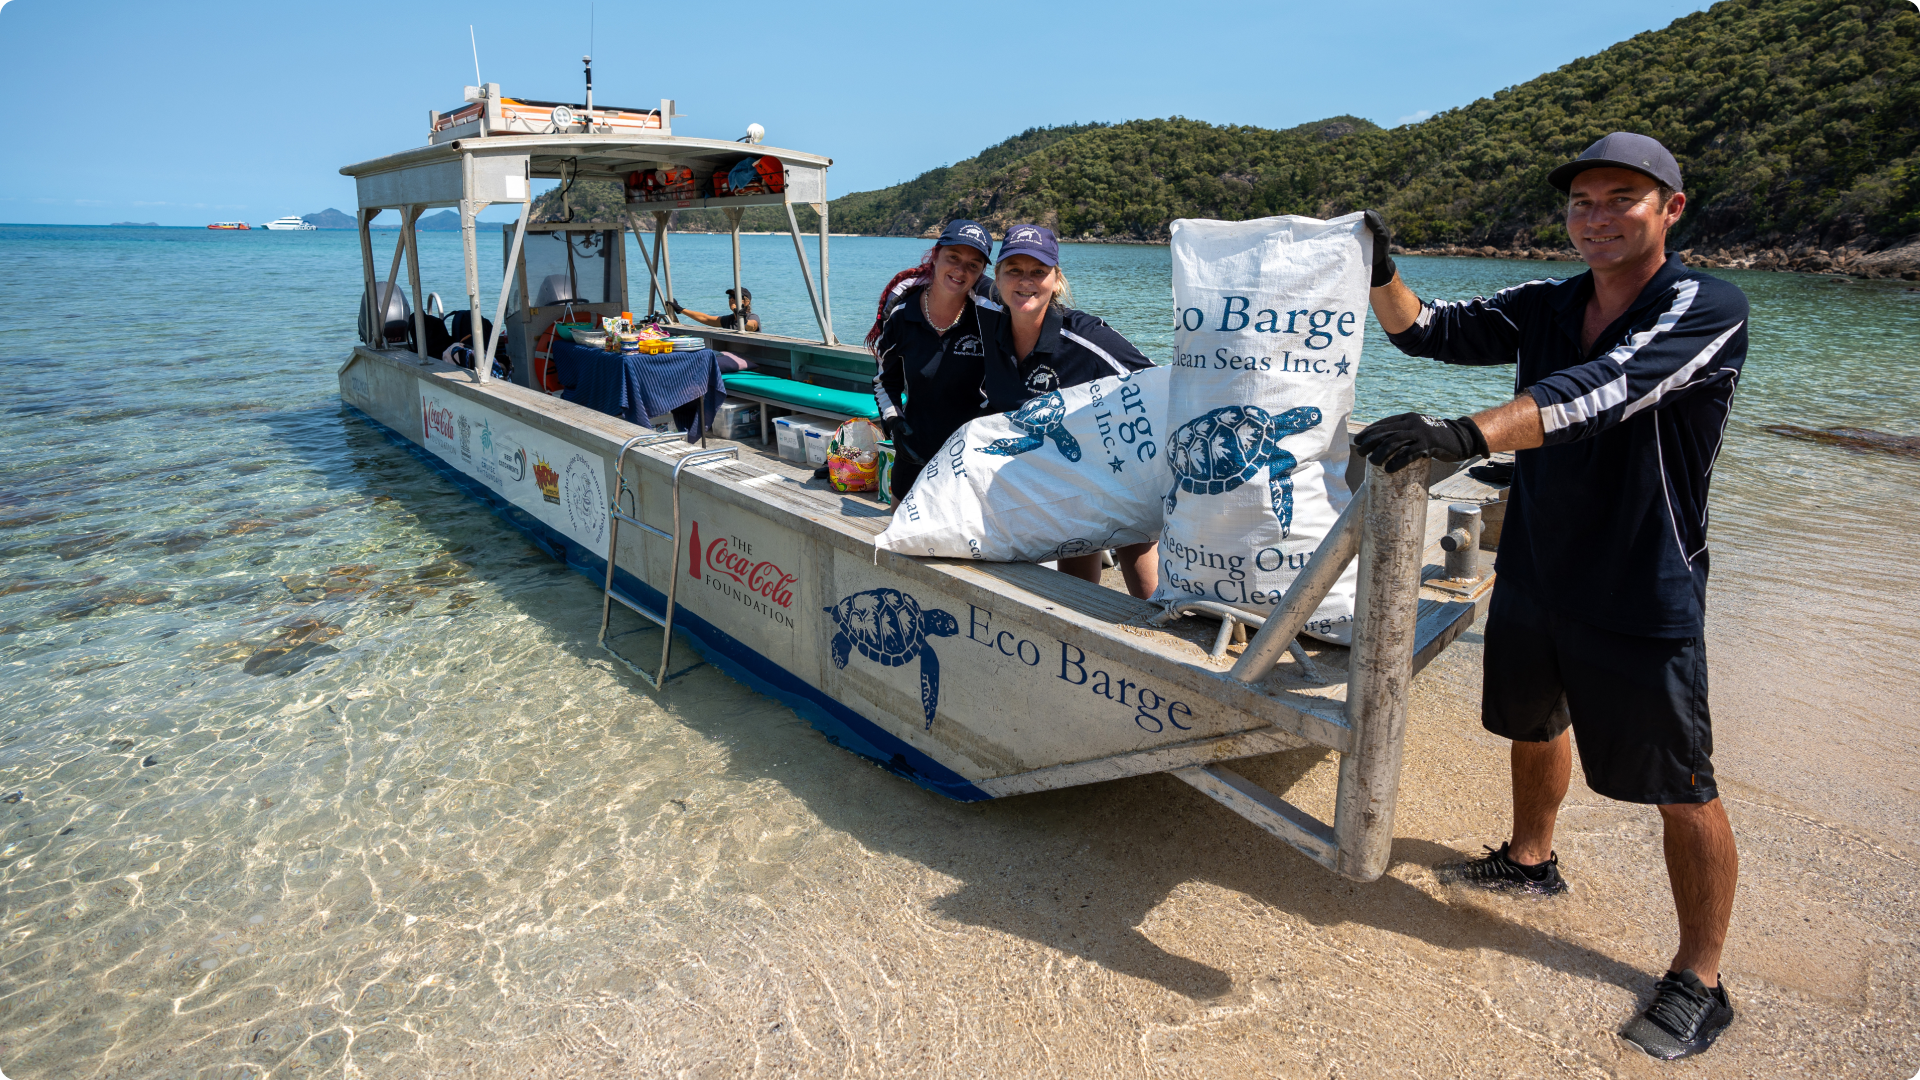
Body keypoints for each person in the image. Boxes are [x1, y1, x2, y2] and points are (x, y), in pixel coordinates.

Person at [1352, 133, 1748, 1061]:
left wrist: (1463, 435)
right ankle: (1532, 860)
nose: (1598, 217)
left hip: (1640, 581)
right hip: (1535, 560)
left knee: (1679, 783)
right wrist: (1382, 270)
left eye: (1622, 199)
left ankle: (1703, 975)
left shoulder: (1706, 305)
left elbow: (1601, 392)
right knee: (1533, 722)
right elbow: (1429, 331)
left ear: (1671, 210)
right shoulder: (1547, 301)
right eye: (1582, 203)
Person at [980, 224, 1159, 598]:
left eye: (1038, 271)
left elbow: (1156, 384)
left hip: (1120, 473)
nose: (1025, 281)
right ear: (996, 279)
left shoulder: (1086, 338)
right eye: (1014, 270)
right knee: (1073, 593)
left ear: (1056, 280)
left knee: (1150, 598)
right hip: (1062, 479)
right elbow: (944, 282)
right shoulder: (990, 331)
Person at [869, 219, 998, 502]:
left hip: (972, 455)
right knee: (903, 535)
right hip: (915, 450)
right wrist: (894, 424)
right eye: (953, 257)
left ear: (982, 272)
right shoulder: (903, 314)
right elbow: (883, 381)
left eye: (973, 265)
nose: (961, 270)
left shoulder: (988, 317)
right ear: (935, 255)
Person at [672, 288, 760, 333]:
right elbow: (705, 318)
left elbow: (752, 326)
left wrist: (743, 319)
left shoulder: (752, 317)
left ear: (746, 302)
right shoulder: (729, 320)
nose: (731, 299)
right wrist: (680, 309)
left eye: (735, 297)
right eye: (730, 297)